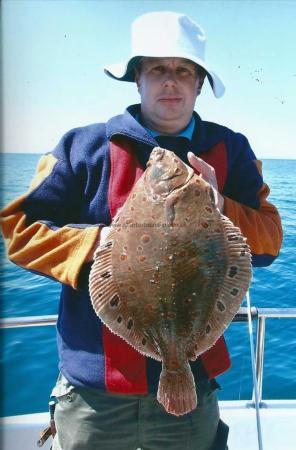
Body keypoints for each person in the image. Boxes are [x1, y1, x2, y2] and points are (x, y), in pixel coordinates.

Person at [0, 11, 282, 450]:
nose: (171, 81)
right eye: (157, 69)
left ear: (199, 83)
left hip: (194, 382)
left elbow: (269, 241)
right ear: (137, 79)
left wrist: (220, 205)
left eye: (184, 71)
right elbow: (20, 232)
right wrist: (103, 242)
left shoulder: (232, 149)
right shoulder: (83, 146)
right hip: (93, 392)